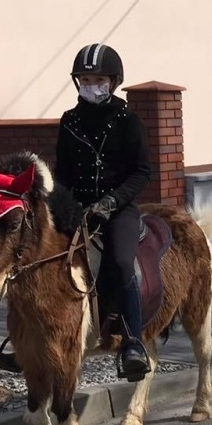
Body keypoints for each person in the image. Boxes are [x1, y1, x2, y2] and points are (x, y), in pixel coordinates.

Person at [57, 44, 155, 380]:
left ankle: (132, 342)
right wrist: (64, 207)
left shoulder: (128, 121)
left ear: (113, 81)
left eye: (97, 79)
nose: (90, 85)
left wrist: (112, 202)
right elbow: (63, 174)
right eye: (84, 79)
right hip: (78, 209)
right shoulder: (69, 122)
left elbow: (142, 171)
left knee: (121, 261)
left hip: (118, 210)